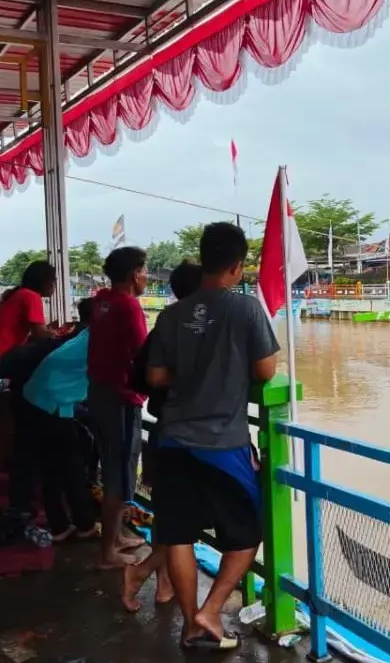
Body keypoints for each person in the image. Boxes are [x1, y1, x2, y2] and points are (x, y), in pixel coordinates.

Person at [146, 223, 278, 650]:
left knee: (179, 533)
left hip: (171, 439)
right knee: (247, 533)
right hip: (222, 442)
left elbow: (157, 376)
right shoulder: (246, 309)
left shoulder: (171, 314)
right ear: (238, 266)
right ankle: (211, 611)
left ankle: (190, 626)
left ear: (203, 259)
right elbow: (266, 372)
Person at [122, 259, 202, 613]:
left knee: (173, 514)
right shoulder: (194, 329)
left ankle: (162, 580)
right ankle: (143, 573)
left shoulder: (166, 325)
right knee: (188, 517)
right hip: (191, 435)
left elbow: (142, 374)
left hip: (166, 430)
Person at [87, 246, 150, 570]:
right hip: (121, 398)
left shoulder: (102, 300)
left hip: (99, 392)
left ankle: (116, 537)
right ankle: (108, 553)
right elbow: (144, 352)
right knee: (119, 473)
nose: (147, 277)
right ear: (132, 275)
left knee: (115, 468)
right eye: (144, 270)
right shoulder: (128, 306)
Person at [20, 324, 99, 542]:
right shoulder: (100, 342)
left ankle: (60, 526)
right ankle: (85, 526)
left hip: (35, 400)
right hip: (52, 405)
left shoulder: (86, 335)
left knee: (52, 469)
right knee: (71, 468)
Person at [0, 261, 56, 372]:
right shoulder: (31, 296)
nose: (54, 284)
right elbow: (40, 334)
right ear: (46, 282)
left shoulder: (20, 293)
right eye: (54, 280)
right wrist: (57, 333)